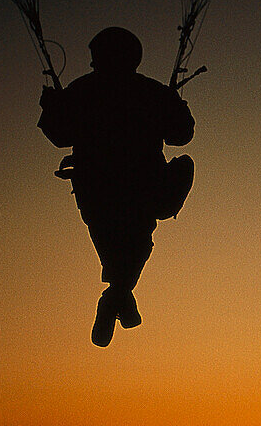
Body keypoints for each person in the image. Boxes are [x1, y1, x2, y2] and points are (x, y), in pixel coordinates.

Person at [38, 27, 195, 347]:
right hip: (142, 187)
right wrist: (174, 104)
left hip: (95, 188)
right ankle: (117, 297)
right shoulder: (150, 92)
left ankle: (117, 297)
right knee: (137, 243)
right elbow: (181, 136)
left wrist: (52, 107)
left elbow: (58, 136)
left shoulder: (82, 90)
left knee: (116, 246)